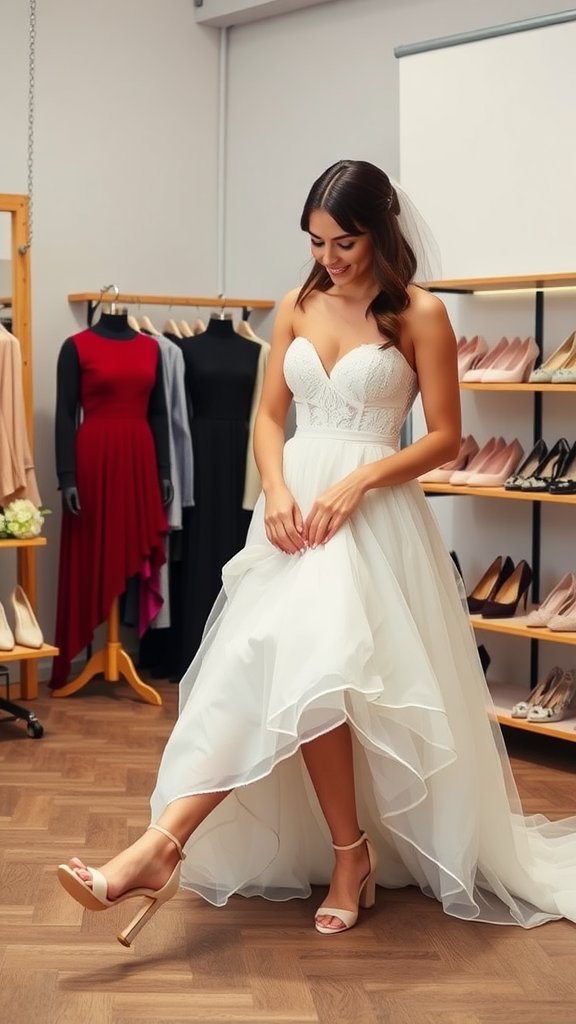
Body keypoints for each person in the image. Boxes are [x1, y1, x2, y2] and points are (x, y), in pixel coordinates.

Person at [57, 160, 576, 947]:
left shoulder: (421, 315)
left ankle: (193, 853)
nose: (327, 258)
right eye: (315, 242)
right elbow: (271, 419)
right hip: (292, 513)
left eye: (343, 241)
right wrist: (277, 487)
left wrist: (360, 481)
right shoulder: (296, 306)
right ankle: (195, 848)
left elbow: (446, 436)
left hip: (369, 515)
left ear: (382, 229)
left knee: (311, 669)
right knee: (260, 668)